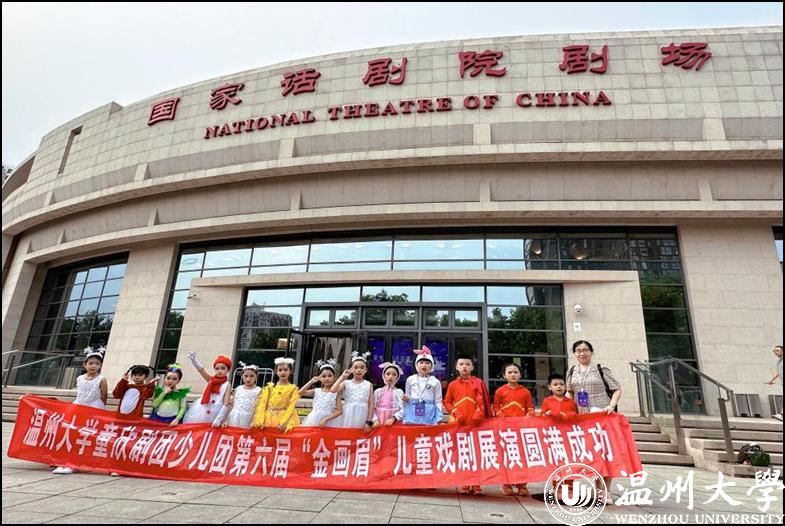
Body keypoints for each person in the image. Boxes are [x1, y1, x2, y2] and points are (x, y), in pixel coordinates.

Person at [565, 340, 622, 503]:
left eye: (585, 350)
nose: (582, 353)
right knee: (588, 453)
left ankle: (604, 491)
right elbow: (569, 392)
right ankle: (591, 486)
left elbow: (617, 389)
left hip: (601, 415)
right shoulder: (571, 371)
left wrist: (611, 405)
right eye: (578, 350)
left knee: (605, 453)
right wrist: (566, 408)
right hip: (581, 417)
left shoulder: (601, 369)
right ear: (574, 353)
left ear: (591, 352)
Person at [52, 346, 108, 474]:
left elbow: (104, 395)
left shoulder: (101, 379)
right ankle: (66, 461)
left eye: (97, 364)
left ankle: (78, 462)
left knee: (87, 435)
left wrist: (100, 410)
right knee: (73, 433)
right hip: (78, 407)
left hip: (94, 408)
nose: (93, 366)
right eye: (91, 363)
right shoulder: (80, 378)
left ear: (100, 366)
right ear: (85, 365)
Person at [444, 354, 492, 496]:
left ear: (472, 367)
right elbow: (447, 402)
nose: (464, 367)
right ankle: (464, 482)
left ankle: (476, 484)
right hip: (459, 423)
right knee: (463, 453)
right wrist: (455, 412)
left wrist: (480, 412)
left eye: (467, 364)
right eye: (461, 364)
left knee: (477, 453)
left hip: (477, 423)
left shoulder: (479, 383)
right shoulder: (453, 384)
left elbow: (485, 401)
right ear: (456, 367)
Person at [492, 363, 535, 497]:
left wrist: (530, 414)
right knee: (507, 456)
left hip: (521, 430)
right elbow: (496, 407)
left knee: (522, 457)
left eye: (515, 372)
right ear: (504, 375)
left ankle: (522, 484)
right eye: (509, 372)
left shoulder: (525, 392)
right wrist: (500, 415)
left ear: (520, 375)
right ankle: (506, 484)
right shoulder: (500, 391)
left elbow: (530, 407)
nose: (513, 374)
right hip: (506, 430)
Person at [182, 352, 232, 424]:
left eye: (223, 368)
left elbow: (226, 403)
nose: (220, 371)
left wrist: (218, 419)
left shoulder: (227, 384)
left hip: (217, 411)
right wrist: (194, 361)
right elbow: (202, 371)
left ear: (228, 370)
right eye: (217, 368)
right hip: (203, 408)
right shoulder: (211, 380)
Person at [252, 357, 300, 432]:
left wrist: (284, 421)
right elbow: (263, 404)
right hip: (268, 419)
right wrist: (260, 419)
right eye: (280, 370)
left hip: (285, 419)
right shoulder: (270, 387)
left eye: (285, 370)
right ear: (275, 371)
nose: (283, 372)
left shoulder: (293, 388)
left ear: (290, 371)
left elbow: (291, 406)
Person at [332, 352, 374, 431]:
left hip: (362, 414)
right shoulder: (346, 383)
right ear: (352, 370)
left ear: (366, 370)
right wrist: (343, 376)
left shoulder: (369, 384)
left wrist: (369, 422)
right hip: (348, 414)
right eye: (356, 367)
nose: (359, 370)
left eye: (362, 368)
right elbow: (333, 390)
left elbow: (371, 404)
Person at [402, 346, 444, 426]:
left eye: (427, 363)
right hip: (412, 413)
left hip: (429, 414)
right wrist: (406, 398)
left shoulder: (435, 382)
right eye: (421, 362)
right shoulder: (410, 379)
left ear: (431, 365)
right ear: (416, 364)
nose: (424, 365)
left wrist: (439, 417)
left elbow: (438, 401)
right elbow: (408, 394)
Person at [215, 362, 262, 429]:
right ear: (242, 376)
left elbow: (258, 408)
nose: (248, 379)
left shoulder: (259, 390)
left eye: (251, 376)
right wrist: (227, 420)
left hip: (248, 419)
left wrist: (254, 421)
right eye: (246, 376)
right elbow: (232, 405)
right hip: (235, 416)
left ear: (256, 376)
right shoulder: (238, 389)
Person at [301, 359, 343, 427]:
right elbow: (300, 393)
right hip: (313, 420)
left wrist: (326, 419)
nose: (327, 378)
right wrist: (311, 381)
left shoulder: (336, 393)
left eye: (330, 376)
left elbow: (339, 411)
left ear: (334, 377)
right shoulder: (316, 391)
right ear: (320, 378)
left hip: (329, 421)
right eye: (323, 376)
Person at [372, 361, 405, 427]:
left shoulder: (399, 392)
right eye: (388, 374)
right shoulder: (378, 391)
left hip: (393, 424)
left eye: (394, 374)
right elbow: (372, 408)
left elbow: (403, 409)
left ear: (397, 377)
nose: (390, 376)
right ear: (383, 375)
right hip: (378, 423)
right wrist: (375, 420)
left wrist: (393, 418)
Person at [767, 345, 783, 420]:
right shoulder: (779, 361)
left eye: (777, 350)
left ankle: (782, 414)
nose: (775, 352)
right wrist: (772, 379)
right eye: (774, 351)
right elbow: (778, 372)